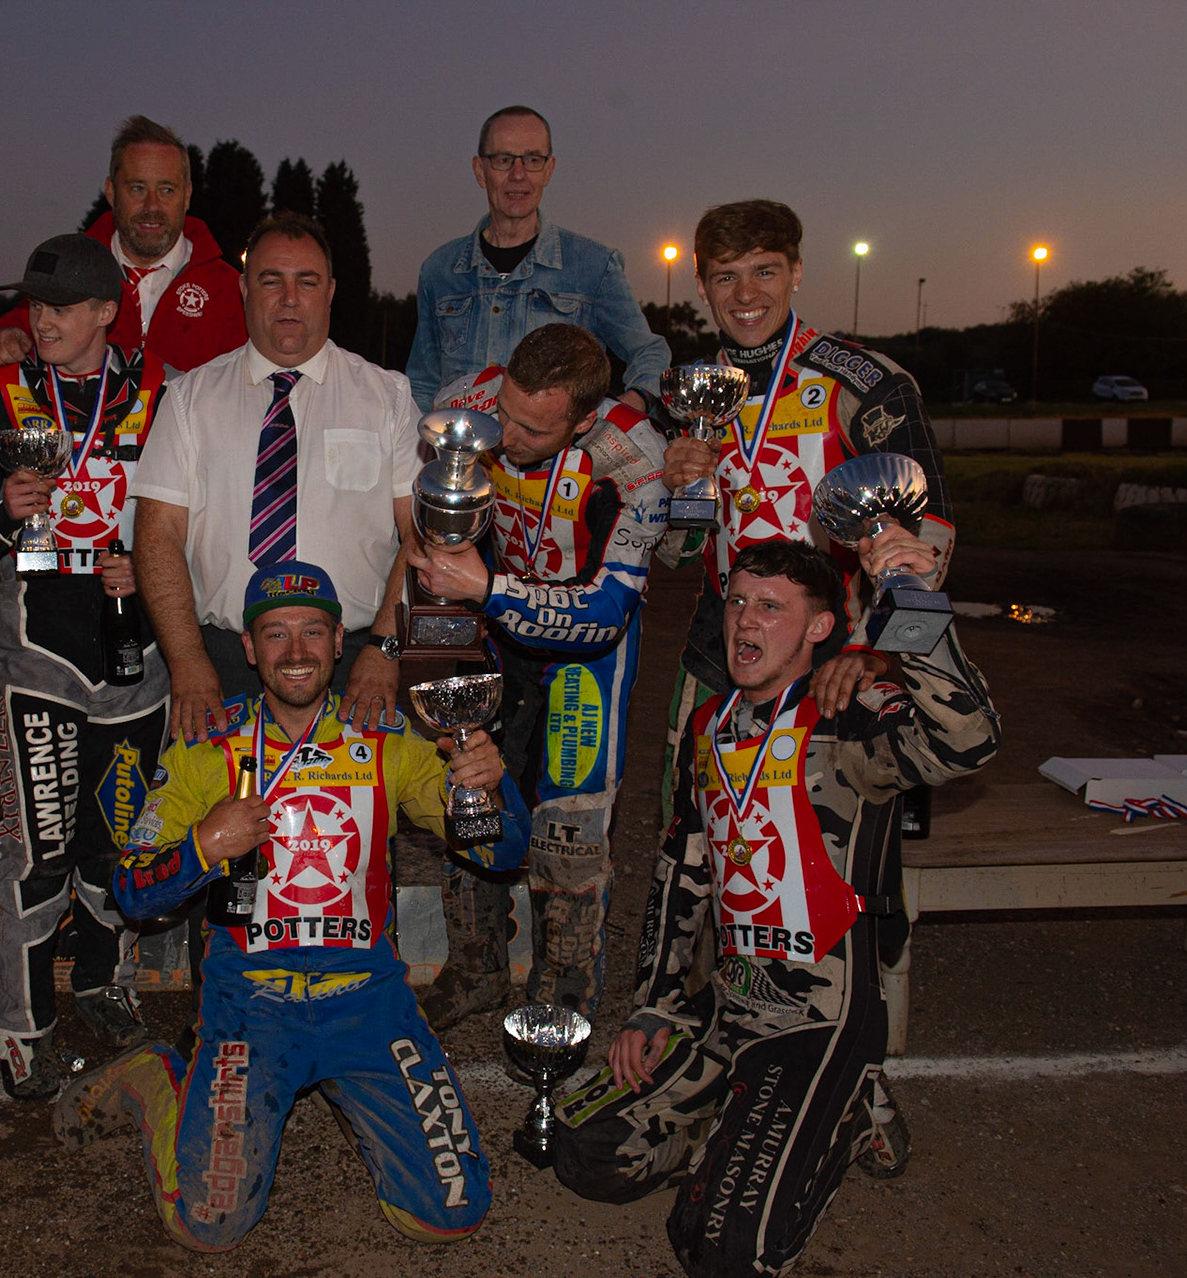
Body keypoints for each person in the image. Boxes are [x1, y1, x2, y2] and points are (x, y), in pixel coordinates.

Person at [53, 561, 530, 1251]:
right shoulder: (204, 747)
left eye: (313, 632)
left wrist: (489, 787)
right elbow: (131, 889)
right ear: (248, 649)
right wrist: (202, 847)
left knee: (449, 1214)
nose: (297, 652)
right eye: (275, 634)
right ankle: (156, 1076)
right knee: (208, 1224)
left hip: (367, 999)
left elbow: (498, 854)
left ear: (342, 641)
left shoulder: (390, 739)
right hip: (252, 1003)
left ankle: (355, 1086)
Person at [552, 538, 997, 1275]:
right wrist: (655, 1007)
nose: (743, 623)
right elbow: (680, 874)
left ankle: (844, 1113)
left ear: (820, 628)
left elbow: (968, 742)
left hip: (821, 1016)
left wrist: (910, 611)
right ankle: (755, 1124)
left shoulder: (848, 712)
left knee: (721, 1248)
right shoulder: (711, 728)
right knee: (587, 1151)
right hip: (730, 1001)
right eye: (736, 603)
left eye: (770, 607)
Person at [655, 199, 956, 849]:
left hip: (837, 646)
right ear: (701, 283)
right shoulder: (693, 392)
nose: (745, 295)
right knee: (697, 838)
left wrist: (874, 649)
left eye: (764, 271)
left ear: (796, 272)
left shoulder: (864, 381)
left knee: (828, 847)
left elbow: (931, 527)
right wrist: (678, 493)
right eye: (725, 276)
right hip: (721, 642)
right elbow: (678, 556)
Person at [0, 233, 171, 1098]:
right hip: (39, 654)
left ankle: (106, 988)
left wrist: (148, 567)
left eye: (64, 307)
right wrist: (3, 515)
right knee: (37, 847)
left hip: (134, 652)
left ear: (107, 313)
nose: (42, 321)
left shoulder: (163, 394)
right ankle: (22, 1025)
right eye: (35, 305)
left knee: (117, 844)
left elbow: (191, 525)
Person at [406, 324, 671, 1028]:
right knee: (471, 796)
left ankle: (562, 987)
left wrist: (490, 589)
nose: (505, 435)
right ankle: (475, 969)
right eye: (504, 412)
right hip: (490, 632)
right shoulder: (465, 402)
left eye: (530, 428)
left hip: (585, 654)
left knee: (570, 828)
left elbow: (611, 609)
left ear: (583, 419)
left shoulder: (637, 460)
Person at [131, 211, 420, 744]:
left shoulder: (389, 399)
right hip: (222, 664)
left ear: (330, 290)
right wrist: (188, 663)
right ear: (244, 289)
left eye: (306, 281)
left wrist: (385, 651)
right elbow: (156, 536)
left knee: (347, 826)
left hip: (354, 660)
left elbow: (419, 535)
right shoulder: (190, 400)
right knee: (221, 823)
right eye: (271, 280)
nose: (289, 298)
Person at [406, 105, 670, 415]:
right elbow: (422, 384)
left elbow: (651, 352)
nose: (518, 175)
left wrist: (627, 408)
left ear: (549, 170)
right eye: (503, 160)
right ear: (480, 171)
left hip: (562, 463)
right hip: (465, 460)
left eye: (532, 160)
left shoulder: (594, 267)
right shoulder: (440, 270)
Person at [0, 116, 245, 375]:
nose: (152, 206)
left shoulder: (230, 289)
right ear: (111, 192)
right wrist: (8, 335)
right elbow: (26, 322)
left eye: (166, 190)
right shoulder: (71, 268)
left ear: (187, 196)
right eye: (137, 188)